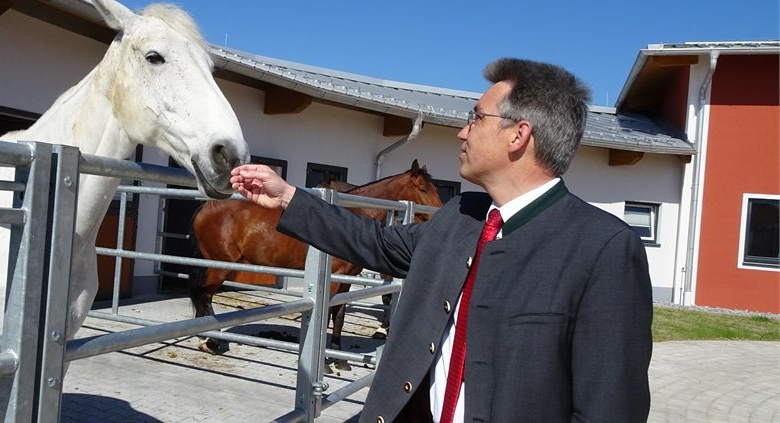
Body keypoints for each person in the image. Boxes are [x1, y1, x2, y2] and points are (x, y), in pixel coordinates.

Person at [230, 58, 652, 423]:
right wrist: (287, 198)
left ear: (518, 135)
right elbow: (375, 242)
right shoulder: (460, 217)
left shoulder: (603, 249)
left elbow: (608, 409)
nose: (462, 132)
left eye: (475, 117)